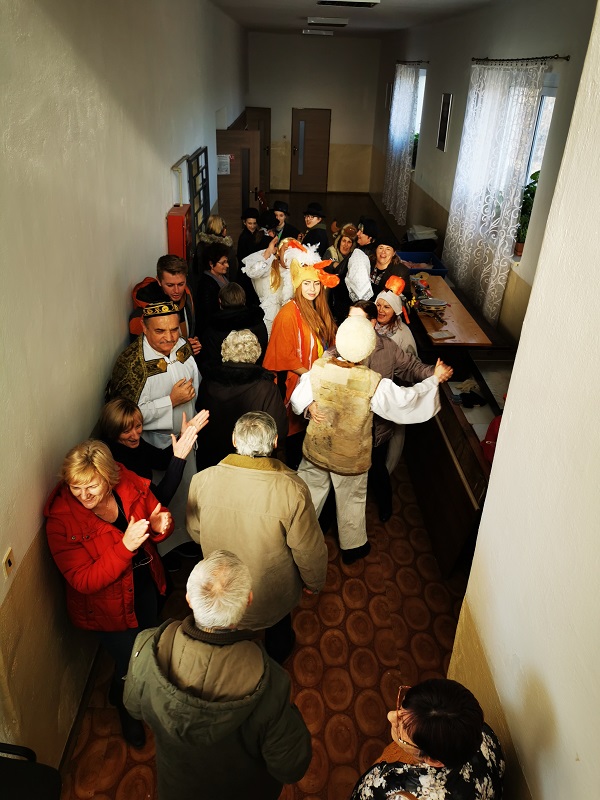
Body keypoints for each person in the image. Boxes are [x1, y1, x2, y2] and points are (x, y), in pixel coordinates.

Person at [124, 550, 312, 800]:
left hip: (178, 789)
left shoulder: (147, 645)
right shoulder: (271, 685)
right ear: (248, 600)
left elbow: (133, 706)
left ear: (189, 598)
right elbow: (291, 767)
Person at [291, 315, 452, 563]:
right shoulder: (372, 382)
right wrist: (433, 380)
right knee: (351, 500)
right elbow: (405, 402)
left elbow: (297, 400)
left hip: (317, 448)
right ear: (368, 348)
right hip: (350, 456)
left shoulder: (319, 368)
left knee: (308, 496)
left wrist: (309, 406)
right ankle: (352, 549)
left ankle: (298, 541)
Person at [44, 439, 173, 748]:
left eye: (92, 486)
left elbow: (156, 513)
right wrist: (125, 547)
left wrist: (160, 526)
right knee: (131, 661)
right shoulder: (61, 522)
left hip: (144, 583)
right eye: (76, 487)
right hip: (107, 608)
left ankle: (119, 689)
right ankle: (127, 709)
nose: (84, 495)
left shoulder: (125, 480)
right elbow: (83, 580)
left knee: (145, 642)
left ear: (109, 476)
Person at [186, 412, 327, 663]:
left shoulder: (202, 480)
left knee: (229, 633)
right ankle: (277, 657)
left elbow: (195, 532)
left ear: (234, 440)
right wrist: (314, 581)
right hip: (272, 591)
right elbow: (308, 548)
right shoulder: (293, 489)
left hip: (224, 588)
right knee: (278, 631)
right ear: (275, 443)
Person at [106, 301, 200, 556]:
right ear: (144, 328)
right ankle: (164, 550)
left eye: (174, 329)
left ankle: (186, 538)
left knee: (186, 492)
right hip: (154, 445)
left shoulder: (181, 346)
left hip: (186, 436)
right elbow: (123, 417)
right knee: (160, 499)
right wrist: (170, 401)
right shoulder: (131, 364)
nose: (169, 338)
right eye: (160, 331)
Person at [348, 301, 434, 521]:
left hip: (377, 427)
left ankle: (385, 508)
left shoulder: (388, 347)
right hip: (350, 427)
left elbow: (411, 367)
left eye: (358, 320)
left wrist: (434, 373)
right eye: (349, 319)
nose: (351, 325)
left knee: (377, 469)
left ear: (372, 323)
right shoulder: (342, 345)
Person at [351, 679, 505, 799]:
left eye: (402, 727)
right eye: (403, 702)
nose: (390, 716)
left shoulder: (401, 793)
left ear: (433, 760)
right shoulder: (480, 733)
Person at [263, 251, 338, 469]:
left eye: (316, 283)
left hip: (318, 384)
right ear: (297, 285)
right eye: (306, 283)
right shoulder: (288, 313)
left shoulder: (319, 308)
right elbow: (282, 355)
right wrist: (312, 375)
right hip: (298, 387)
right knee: (297, 445)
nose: (312, 289)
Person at [195, 329, 288, 469]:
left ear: (225, 350)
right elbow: (279, 429)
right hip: (251, 463)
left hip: (212, 461)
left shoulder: (208, 382)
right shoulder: (266, 388)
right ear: (256, 352)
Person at [97, 397, 208, 506]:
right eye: (126, 431)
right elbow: (157, 501)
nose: (135, 436)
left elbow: (161, 461)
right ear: (113, 432)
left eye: (138, 426)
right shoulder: (116, 463)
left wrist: (183, 436)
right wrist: (178, 459)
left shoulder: (128, 443)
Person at [128, 255, 200, 356]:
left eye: (181, 284)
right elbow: (143, 354)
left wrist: (193, 342)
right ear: (159, 281)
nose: (177, 290)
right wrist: (184, 349)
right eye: (170, 285)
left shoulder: (187, 292)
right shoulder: (142, 314)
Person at [199, 282, 268, 368]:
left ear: (220, 301)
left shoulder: (213, 329)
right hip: (255, 373)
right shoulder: (257, 323)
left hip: (224, 375)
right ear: (244, 300)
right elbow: (263, 351)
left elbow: (211, 362)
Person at [241, 234, 297, 336]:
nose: (290, 254)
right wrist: (268, 252)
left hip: (291, 320)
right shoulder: (269, 266)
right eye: (286, 250)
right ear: (279, 251)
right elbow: (253, 272)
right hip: (269, 321)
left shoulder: (298, 272)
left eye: (294, 251)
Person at [324, 222, 358, 324]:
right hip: (328, 296)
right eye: (344, 241)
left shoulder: (354, 257)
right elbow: (324, 266)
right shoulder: (331, 252)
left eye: (349, 242)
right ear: (339, 241)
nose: (346, 245)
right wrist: (334, 265)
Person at [193, 213, 238, 284]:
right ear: (222, 230)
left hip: (203, 284)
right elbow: (233, 271)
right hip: (224, 285)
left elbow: (195, 268)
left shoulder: (201, 246)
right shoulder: (226, 249)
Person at [195, 241, 230, 331]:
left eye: (226, 262)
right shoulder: (205, 285)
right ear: (211, 264)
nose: (227, 265)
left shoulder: (223, 276)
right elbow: (206, 314)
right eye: (223, 263)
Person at [376, 284, 418, 357]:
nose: (380, 310)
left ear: (395, 311)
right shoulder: (368, 325)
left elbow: (412, 360)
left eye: (386, 307)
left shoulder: (403, 332)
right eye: (378, 305)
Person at [370, 234, 413, 304]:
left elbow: (406, 297)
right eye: (381, 248)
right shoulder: (367, 264)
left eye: (388, 249)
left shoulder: (401, 271)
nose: (383, 252)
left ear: (393, 253)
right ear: (376, 250)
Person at [346, 216, 378, 303]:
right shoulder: (361, 249)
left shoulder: (366, 254)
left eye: (362, 232)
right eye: (358, 230)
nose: (358, 234)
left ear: (370, 237)